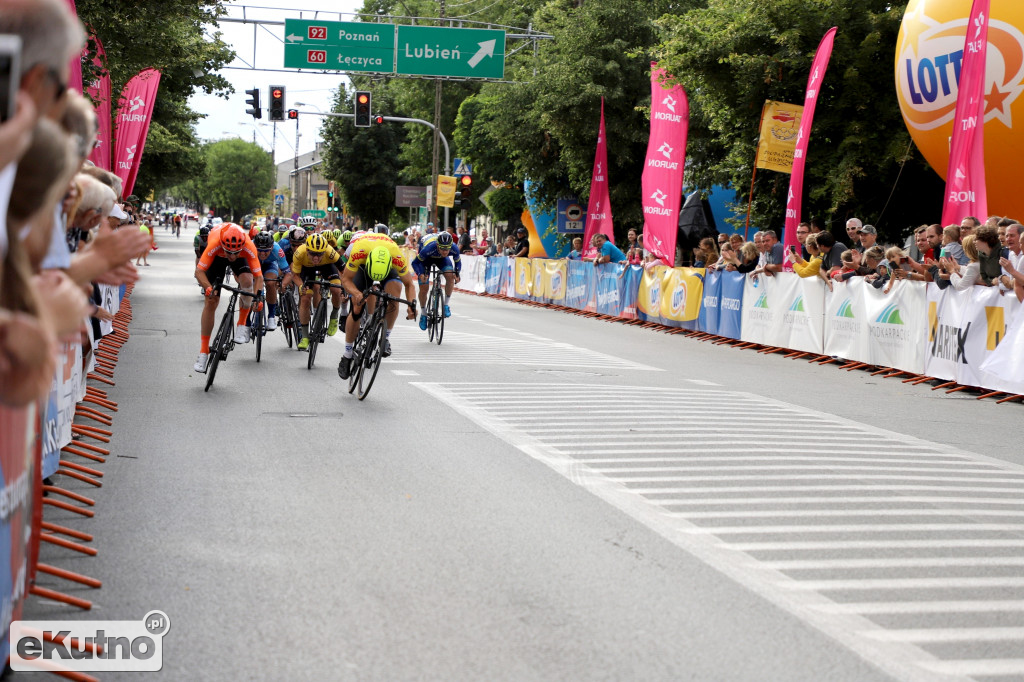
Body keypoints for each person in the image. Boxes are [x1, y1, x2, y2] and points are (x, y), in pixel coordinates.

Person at [337, 233, 417, 379]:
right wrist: (356, 293)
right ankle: (347, 355)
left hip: (386, 264)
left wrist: (412, 304)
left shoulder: (396, 257)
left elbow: (409, 284)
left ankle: (385, 338)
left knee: (394, 297)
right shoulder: (358, 252)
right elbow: (346, 279)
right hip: (363, 266)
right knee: (356, 307)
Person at [193, 223, 264, 372]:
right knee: (211, 301)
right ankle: (203, 351)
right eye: (229, 252)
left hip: (241, 256)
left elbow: (258, 277)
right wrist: (208, 288)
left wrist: (257, 297)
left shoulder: (248, 246)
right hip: (217, 258)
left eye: (235, 253)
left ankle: (242, 323)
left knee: (246, 281)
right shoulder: (214, 243)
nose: (232, 256)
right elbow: (199, 272)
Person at [281, 232, 344, 349]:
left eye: (319, 254)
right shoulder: (300, 253)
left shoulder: (330, 252)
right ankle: (305, 336)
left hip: (327, 267)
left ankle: (334, 317)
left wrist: (345, 288)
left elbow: (344, 271)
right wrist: (300, 286)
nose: (316, 257)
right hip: (307, 269)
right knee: (305, 298)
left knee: (336, 290)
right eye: (313, 254)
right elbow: (295, 275)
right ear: (307, 250)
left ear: (324, 251)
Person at [414, 231, 461, 329]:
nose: (445, 252)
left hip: (442, 260)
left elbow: (457, 262)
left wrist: (457, 273)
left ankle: (446, 305)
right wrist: (420, 274)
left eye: (447, 249)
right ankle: (423, 314)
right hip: (426, 259)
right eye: (443, 249)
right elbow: (415, 263)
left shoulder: (454, 248)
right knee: (424, 287)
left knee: (450, 276)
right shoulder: (429, 248)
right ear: (437, 245)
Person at [254, 231, 289, 331]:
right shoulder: (250, 246)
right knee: (251, 285)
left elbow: (287, 272)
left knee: (270, 283)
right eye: (259, 250)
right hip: (255, 264)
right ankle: (246, 324)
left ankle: (271, 316)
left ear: (272, 247)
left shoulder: (277, 249)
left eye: (266, 251)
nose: (263, 253)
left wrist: (283, 284)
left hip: (270, 265)